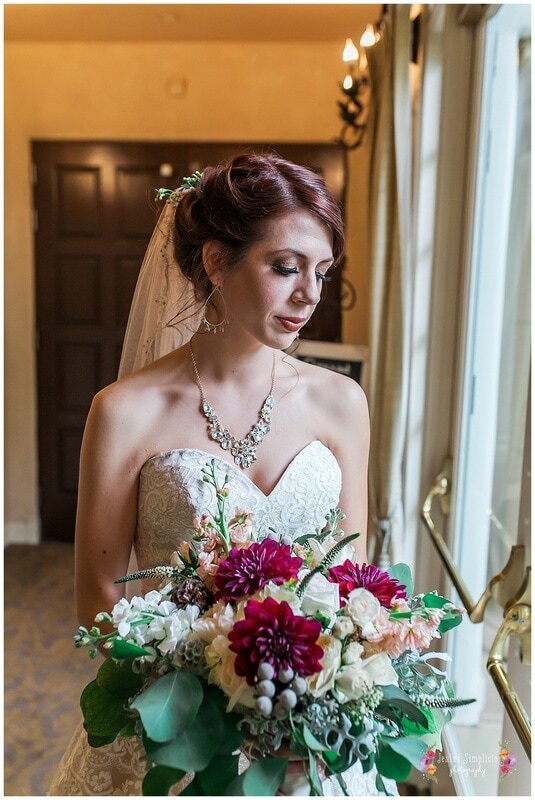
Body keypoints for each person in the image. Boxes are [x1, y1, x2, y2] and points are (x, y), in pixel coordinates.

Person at [48, 153, 398, 796]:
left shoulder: (341, 404)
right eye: (286, 267)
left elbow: (354, 575)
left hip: (308, 738)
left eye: (322, 272)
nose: (310, 294)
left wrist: (309, 707)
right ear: (215, 261)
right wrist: (209, 711)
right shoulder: (125, 411)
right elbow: (99, 596)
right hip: (175, 732)